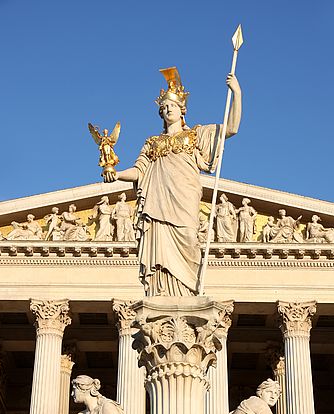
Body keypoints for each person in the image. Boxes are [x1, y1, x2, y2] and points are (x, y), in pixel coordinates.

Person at [103, 67, 242, 296]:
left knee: (189, 239)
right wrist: (116, 174)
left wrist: (236, 93)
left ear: (182, 110)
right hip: (158, 206)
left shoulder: (195, 136)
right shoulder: (152, 143)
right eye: (164, 107)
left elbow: (232, 129)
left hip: (184, 200)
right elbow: (139, 171)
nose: (168, 110)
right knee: (160, 256)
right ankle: (162, 295)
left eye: (172, 106)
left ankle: (187, 295)